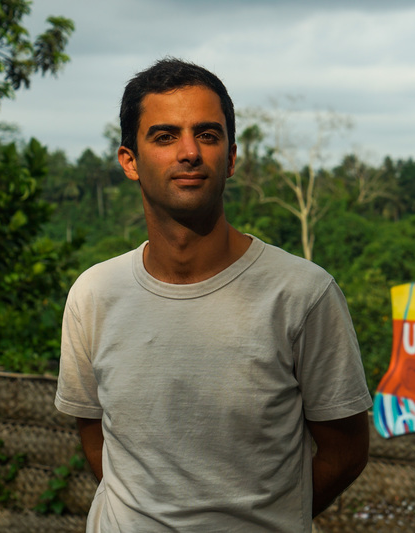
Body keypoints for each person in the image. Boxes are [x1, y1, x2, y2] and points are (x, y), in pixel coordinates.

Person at [54, 58, 372, 532]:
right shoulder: (94, 294)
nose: (189, 153)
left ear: (231, 157)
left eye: (207, 134)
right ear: (129, 161)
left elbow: (345, 453)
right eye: (164, 137)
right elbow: (94, 433)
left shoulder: (302, 294)